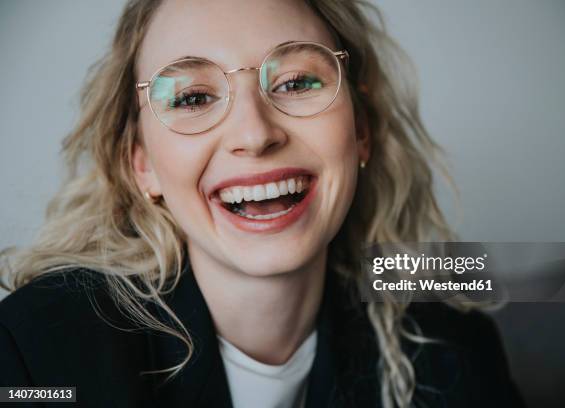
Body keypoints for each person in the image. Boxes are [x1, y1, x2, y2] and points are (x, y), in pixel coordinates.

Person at [0, 0, 524, 407]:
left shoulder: (452, 338)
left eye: (297, 82)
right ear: (143, 165)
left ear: (361, 131)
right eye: (192, 98)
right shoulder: (36, 352)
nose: (254, 133)